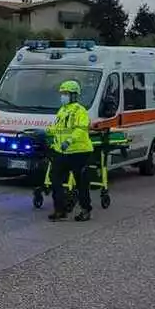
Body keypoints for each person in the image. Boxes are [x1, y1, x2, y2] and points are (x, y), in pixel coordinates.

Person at [47, 80, 94, 222]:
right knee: (55, 179)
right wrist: (47, 132)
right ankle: (59, 210)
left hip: (79, 152)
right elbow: (59, 129)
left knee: (81, 183)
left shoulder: (80, 111)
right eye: (62, 93)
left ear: (74, 95)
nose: (63, 96)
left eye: (66, 94)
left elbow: (81, 129)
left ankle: (85, 210)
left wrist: (69, 141)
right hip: (62, 152)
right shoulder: (62, 110)